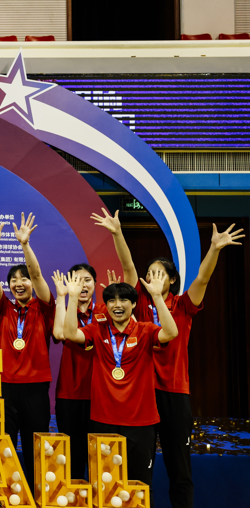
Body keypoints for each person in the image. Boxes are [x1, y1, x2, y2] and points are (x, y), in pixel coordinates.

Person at [94, 208, 243, 508]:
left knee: (180, 468)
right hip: (143, 397)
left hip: (174, 394)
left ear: (172, 279)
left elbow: (203, 278)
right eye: (149, 273)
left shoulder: (184, 305)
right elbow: (127, 265)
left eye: (160, 273)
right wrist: (117, 232)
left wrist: (214, 249)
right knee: (140, 470)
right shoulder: (138, 303)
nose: (153, 277)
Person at [63, 271, 178, 488]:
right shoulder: (97, 329)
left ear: (133, 304)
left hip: (141, 422)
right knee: (104, 485)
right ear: (105, 306)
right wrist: (72, 297)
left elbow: (171, 333)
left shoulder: (145, 330)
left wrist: (157, 297)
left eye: (124, 299)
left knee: (139, 486)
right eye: (111, 301)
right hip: (103, 420)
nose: (117, 305)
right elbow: (70, 333)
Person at [0, 214, 54, 489]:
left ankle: (35, 496)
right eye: (13, 280)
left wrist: (25, 245)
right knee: (5, 446)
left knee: (36, 446)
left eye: (24, 279)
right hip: (6, 387)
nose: (19, 283)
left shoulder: (44, 306)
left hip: (36, 387)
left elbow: (37, 275)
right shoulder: (4, 307)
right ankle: (6, 495)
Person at [51, 265, 109, 481]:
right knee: (72, 458)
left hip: (100, 394)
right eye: (76, 280)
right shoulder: (65, 310)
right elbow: (59, 333)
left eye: (87, 280)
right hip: (69, 394)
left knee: (99, 457)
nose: (82, 285)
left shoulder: (105, 310)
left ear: (95, 283)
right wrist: (62, 296)